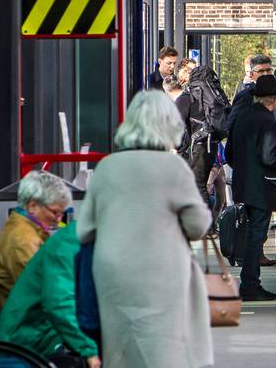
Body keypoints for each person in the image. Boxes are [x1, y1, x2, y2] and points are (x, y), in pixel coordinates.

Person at [75, 91, 213, 368]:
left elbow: (85, 230)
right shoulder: (173, 168)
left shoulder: (108, 167)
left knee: (120, 349)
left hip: (112, 273)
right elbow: (198, 226)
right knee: (163, 350)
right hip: (163, 273)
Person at [226, 75, 276, 300]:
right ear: (274, 99)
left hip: (243, 184)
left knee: (251, 235)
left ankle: (249, 284)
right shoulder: (267, 121)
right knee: (256, 238)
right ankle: (250, 285)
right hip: (262, 186)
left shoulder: (241, 117)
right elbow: (270, 158)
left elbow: (229, 153)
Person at [0, 221, 101, 368]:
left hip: (48, 333)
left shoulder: (85, 238)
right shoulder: (68, 245)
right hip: (31, 341)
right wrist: (88, 350)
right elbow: (58, 304)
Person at [0, 170, 71, 317]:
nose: (58, 220)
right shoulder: (23, 240)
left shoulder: (23, 231)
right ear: (32, 206)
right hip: (24, 326)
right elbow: (42, 290)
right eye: (55, 212)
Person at [175, 64, 231, 206]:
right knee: (200, 185)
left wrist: (178, 148)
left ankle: (206, 226)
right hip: (210, 146)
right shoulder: (214, 95)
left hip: (195, 147)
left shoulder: (187, 97)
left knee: (197, 187)